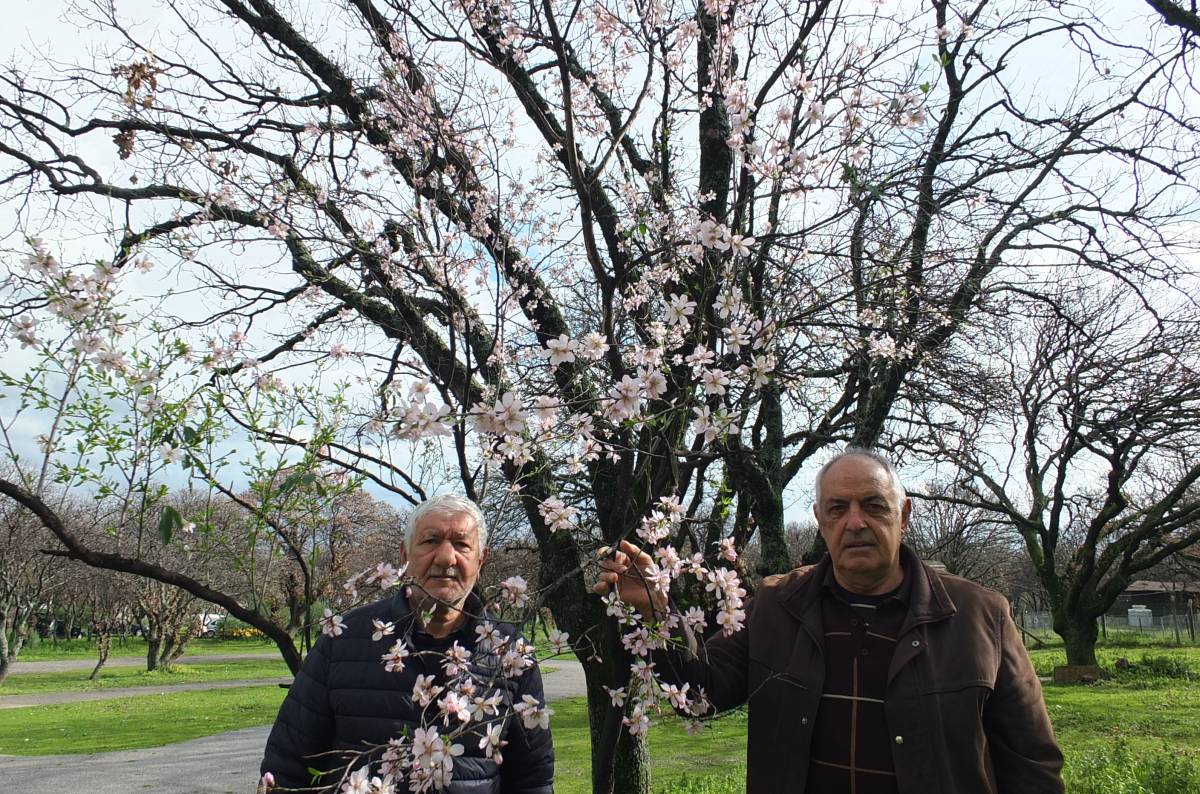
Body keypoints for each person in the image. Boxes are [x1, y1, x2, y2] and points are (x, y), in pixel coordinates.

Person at [595, 448, 1064, 793]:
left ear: (903, 515)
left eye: (874, 506)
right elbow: (699, 694)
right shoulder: (776, 606)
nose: (855, 522)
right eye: (838, 509)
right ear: (820, 519)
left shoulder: (981, 615)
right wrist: (657, 615)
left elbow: (1031, 763)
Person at [261, 494, 554, 793]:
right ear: (404, 556)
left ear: (481, 560)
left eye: (462, 544)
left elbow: (532, 780)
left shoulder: (510, 653)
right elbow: (287, 766)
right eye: (430, 541)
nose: (445, 558)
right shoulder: (343, 641)